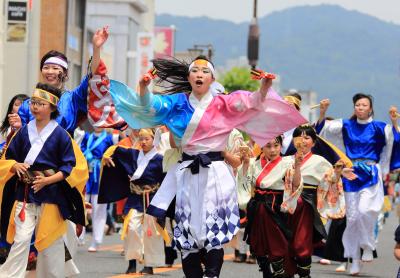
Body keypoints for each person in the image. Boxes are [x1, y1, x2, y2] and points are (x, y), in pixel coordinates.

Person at [100, 55, 306, 277]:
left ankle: (212, 274)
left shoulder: (224, 103)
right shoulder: (177, 103)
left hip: (215, 173)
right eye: (195, 70)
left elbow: (252, 102)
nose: (199, 74)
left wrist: (264, 87)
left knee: (213, 228)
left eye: (204, 71)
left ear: (212, 78)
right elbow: (149, 106)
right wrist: (143, 87)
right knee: (188, 230)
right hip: (188, 172)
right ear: (188, 77)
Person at [0, 83, 87, 278]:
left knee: (50, 243)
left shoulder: (61, 136)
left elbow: (67, 168)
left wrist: (47, 181)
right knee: (21, 240)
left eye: (41, 103)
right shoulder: (23, 133)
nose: (36, 107)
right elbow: (7, 159)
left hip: (51, 196)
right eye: (34, 102)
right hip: (24, 195)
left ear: (53, 107)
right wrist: (14, 166)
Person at [316, 94, 400, 275]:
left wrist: (394, 123)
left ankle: (368, 245)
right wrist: (322, 112)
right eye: (358, 105)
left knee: (365, 210)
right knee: (352, 218)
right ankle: (354, 259)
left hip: (370, 173)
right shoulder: (346, 125)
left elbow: (395, 141)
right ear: (355, 108)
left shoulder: (379, 127)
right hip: (351, 172)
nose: (360, 107)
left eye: (364, 105)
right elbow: (322, 134)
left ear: (370, 108)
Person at [9, 27, 109, 135]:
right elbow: (19, 140)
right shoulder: (27, 105)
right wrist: (18, 128)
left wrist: (96, 49)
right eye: (46, 68)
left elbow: (93, 77)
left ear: (65, 73)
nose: (50, 72)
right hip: (34, 151)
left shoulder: (73, 99)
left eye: (55, 68)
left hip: (63, 150)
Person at [285, 125, 352, 278]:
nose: (302, 141)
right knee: (285, 241)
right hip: (286, 203)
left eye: (307, 138)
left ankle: (304, 272)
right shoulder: (285, 160)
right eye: (299, 137)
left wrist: (337, 172)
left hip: (306, 205)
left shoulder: (320, 161)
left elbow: (330, 180)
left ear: (314, 143)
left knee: (302, 241)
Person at [99, 128, 166, 275]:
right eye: (141, 138)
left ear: (154, 140)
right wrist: (106, 156)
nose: (143, 142)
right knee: (131, 227)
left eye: (146, 139)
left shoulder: (160, 159)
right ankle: (132, 262)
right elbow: (115, 150)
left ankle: (150, 264)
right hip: (135, 197)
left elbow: (167, 180)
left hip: (153, 198)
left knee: (151, 232)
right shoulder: (133, 155)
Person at [241, 136, 302, 278]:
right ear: (261, 147)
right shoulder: (253, 163)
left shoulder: (288, 162)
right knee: (258, 244)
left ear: (281, 146)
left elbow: (296, 185)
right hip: (257, 206)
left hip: (276, 207)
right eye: (268, 146)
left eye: (276, 145)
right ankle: (266, 272)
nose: (273, 150)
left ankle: (280, 272)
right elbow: (244, 183)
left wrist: (298, 166)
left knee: (277, 244)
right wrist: (244, 164)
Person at [80, 127, 116, 252]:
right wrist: (86, 153)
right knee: (82, 203)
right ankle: (80, 235)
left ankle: (97, 239)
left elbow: (114, 152)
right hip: (86, 172)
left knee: (99, 208)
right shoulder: (86, 136)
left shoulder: (108, 138)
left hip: (100, 173)